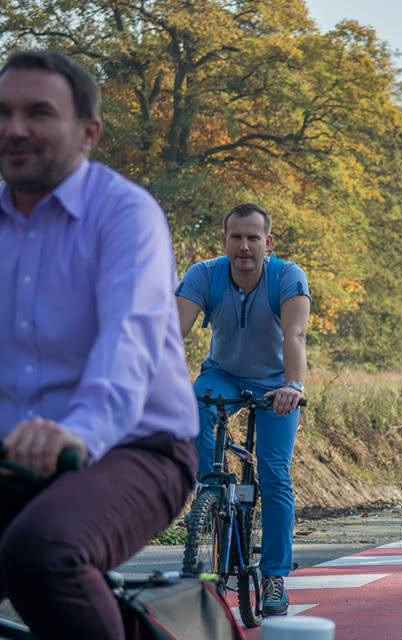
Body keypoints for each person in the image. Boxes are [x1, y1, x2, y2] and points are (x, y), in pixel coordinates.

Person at [0, 50, 198, 639]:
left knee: (44, 554)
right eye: (3, 112)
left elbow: (128, 341)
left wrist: (79, 431)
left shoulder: (125, 215)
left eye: (38, 113)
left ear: (88, 133)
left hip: (139, 446)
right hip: (14, 449)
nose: (15, 129)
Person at [176, 203, 311, 616]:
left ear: (268, 242)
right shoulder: (204, 274)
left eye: (254, 237)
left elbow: (296, 334)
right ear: (225, 241)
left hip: (275, 384)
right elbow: (171, 332)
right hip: (224, 375)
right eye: (236, 237)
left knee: (274, 474)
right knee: (195, 408)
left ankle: (274, 577)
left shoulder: (287, 276)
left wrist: (293, 384)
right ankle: (212, 496)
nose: (244, 246)